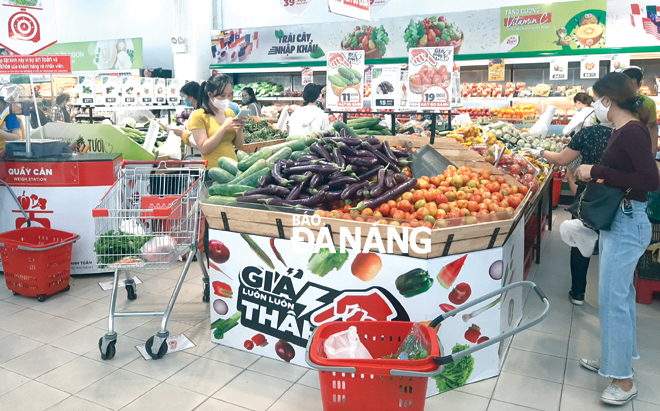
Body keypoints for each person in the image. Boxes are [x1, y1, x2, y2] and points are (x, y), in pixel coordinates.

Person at [574, 72, 659, 406]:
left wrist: (596, 171)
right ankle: (615, 359)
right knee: (618, 299)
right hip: (619, 222)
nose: (596, 105)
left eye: (597, 99)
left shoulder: (633, 132)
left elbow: (650, 179)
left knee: (613, 301)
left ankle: (623, 381)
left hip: (627, 222)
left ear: (608, 100)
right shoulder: (623, 131)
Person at [524, 123, 612, 306]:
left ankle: (578, 292)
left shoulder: (590, 132)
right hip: (616, 194)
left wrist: (539, 152)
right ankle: (610, 296)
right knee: (612, 245)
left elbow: (563, 159)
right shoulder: (628, 130)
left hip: (589, 193)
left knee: (580, 241)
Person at [188, 73, 245, 169]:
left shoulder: (229, 113)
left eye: (229, 95)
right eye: (222, 96)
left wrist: (240, 128)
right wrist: (223, 128)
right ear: (210, 95)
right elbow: (204, 149)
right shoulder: (198, 116)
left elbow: (239, 146)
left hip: (233, 170)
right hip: (213, 172)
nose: (227, 99)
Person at [620, 66, 658, 155]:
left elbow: (652, 127)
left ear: (639, 84)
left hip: (639, 147)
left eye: (631, 85)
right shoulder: (614, 101)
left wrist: (653, 150)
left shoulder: (648, 103)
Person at [563, 92, 596, 195]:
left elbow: (565, 131)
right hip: (594, 149)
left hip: (580, 149)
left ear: (578, 102)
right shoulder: (595, 112)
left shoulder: (581, 114)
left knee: (571, 175)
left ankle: (577, 201)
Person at [0, 86, 24, 151]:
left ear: (6, 102)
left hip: (8, 154)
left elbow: (18, 137)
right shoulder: (4, 115)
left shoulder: (11, 116)